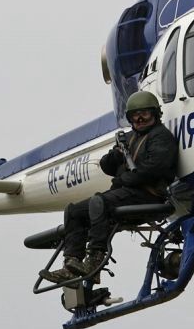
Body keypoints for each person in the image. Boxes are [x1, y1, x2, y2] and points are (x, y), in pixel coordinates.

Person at [40, 91, 178, 284]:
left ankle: (94, 262)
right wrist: (116, 155)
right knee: (74, 211)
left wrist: (124, 179)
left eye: (144, 115)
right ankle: (71, 262)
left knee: (100, 202)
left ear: (155, 114)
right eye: (135, 116)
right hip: (127, 194)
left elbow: (152, 170)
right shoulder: (129, 138)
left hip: (148, 195)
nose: (139, 119)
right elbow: (106, 166)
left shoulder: (161, 137)